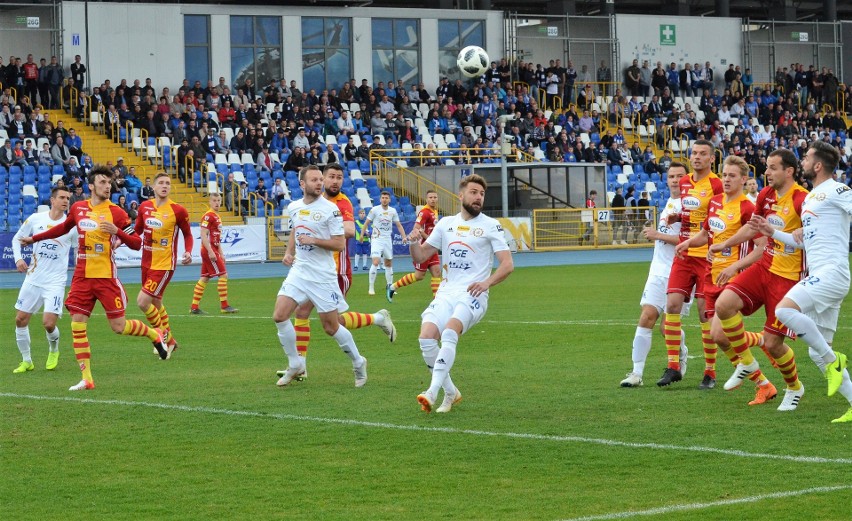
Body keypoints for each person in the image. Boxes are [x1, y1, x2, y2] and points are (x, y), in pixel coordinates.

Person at [19, 166, 169, 391]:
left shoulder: (117, 213)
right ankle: (87, 378)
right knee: (77, 324)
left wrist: (117, 232)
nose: (107, 186)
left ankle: (154, 334)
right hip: (82, 277)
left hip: (106, 278)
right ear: (91, 186)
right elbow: (60, 229)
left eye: (109, 182)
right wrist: (34, 239)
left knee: (118, 327)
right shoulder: (79, 208)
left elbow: (137, 243)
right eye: (102, 182)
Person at [749, 142, 852, 422]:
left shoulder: (837, 189)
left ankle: (835, 360)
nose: (803, 161)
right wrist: (773, 232)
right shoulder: (811, 198)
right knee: (817, 352)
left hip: (832, 272)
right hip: (821, 272)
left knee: (784, 311)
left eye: (807, 158)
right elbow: (801, 243)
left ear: (818, 166)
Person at [276, 165, 396, 381]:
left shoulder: (333, 208)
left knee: (332, 325)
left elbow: (341, 242)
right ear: (302, 184)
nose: (320, 183)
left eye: (321, 179)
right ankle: (296, 364)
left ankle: (359, 360)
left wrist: (314, 240)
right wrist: (289, 251)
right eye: (316, 179)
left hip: (325, 274)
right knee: (281, 315)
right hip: (299, 271)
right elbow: (296, 228)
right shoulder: (293, 207)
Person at [710, 149, 809, 411]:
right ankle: (747, 364)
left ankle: (794, 387)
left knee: (774, 343)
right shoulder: (765, 195)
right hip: (764, 267)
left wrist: (805, 228)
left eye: (773, 168)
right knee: (724, 305)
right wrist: (725, 245)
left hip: (788, 278)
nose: (767, 172)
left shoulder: (802, 199)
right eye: (767, 167)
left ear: (789, 171)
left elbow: (817, 231)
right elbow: (754, 227)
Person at [672, 156, 776, 403]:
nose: (727, 179)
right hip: (712, 276)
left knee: (718, 333)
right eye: (724, 175)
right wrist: (688, 242)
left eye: (732, 175)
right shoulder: (715, 201)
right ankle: (763, 383)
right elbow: (707, 233)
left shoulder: (748, 207)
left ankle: (762, 343)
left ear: (743, 179)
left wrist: (735, 267)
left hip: (735, 278)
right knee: (719, 337)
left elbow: (762, 247)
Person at [411, 174, 514, 413]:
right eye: (474, 192)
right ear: (461, 195)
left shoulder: (490, 225)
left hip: (473, 294)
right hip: (447, 291)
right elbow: (420, 256)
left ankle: (431, 392)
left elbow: (507, 264)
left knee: (449, 332)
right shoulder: (446, 223)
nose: (478, 197)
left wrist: (487, 283)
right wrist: (414, 241)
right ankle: (450, 392)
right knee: (426, 337)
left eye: (481, 194)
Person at [657, 140, 724, 387]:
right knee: (672, 305)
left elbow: (716, 218)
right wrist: (679, 216)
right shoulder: (685, 182)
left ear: (711, 158)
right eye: (694, 153)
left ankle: (710, 371)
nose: (696, 157)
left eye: (702, 154)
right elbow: (691, 213)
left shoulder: (717, 184)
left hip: (707, 256)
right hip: (684, 253)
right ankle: (673, 365)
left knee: (704, 313)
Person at [620, 165, 691, 387]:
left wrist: (657, 234)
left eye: (680, 176)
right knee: (647, 316)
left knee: (666, 327)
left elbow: (691, 241)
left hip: (681, 272)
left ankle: (681, 354)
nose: (675, 180)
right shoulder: (669, 203)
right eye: (671, 176)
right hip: (658, 271)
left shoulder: (691, 206)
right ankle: (636, 373)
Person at [11, 187, 78, 373]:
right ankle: (27, 361)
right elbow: (17, 238)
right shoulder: (36, 219)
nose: (66, 201)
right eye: (62, 197)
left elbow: (79, 250)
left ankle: (54, 350)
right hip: (33, 278)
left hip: (55, 282)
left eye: (68, 198)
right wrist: (18, 258)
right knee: (20, 319)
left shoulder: (71, 226)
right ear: (52, 200)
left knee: (49, 323)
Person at [134, 173, 193, 358]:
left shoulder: (178, 210)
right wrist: (121, 241)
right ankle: (171, 342)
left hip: (164, 264)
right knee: (156, 302)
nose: (165, 186)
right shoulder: (144, 207)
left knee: (143, 302)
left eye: (168, 183)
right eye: (161, 183)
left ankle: (161, 336)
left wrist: (189, 251)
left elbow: (188, 234)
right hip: (146, 263)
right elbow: (137, 230)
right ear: (153, 186)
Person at [387, 190, 441, 302]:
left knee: (436, 272)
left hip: (432, 247)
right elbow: (417, 228)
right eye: (430, 197)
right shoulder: (424, 212)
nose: (433, 199)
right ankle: (392, 287)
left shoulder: (434, 211)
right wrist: (429, 239)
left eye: (435, 197)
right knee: (419, 276)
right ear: (426, 199)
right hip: (423, 247)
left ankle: (437, 301)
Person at [189, 192, 238, 314]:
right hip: (208, 250)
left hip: (213, 249)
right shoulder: (208, 216)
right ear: (210, 202)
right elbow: (203, 235)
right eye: (214, 200)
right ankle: (224, 306)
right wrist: (211, 252)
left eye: (218, 200)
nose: (217, 203)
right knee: (223, 275)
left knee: (204, 278)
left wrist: (221, 253)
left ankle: (194, 307)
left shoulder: (217, 216)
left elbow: (217, 237)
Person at [361, 191, 408, 295]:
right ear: (380, 199)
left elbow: (399, 225)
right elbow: (366, 223)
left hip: (387, 239)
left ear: (389, 200)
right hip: (377, 239)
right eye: (383, 198)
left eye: (386, 198)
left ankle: (389, 286)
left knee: (388, 263)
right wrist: (361, 235)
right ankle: (371, 287)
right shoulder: (374, 210)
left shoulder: (393, 211)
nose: (384, 199)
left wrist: (404, 237)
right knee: (376, 262)